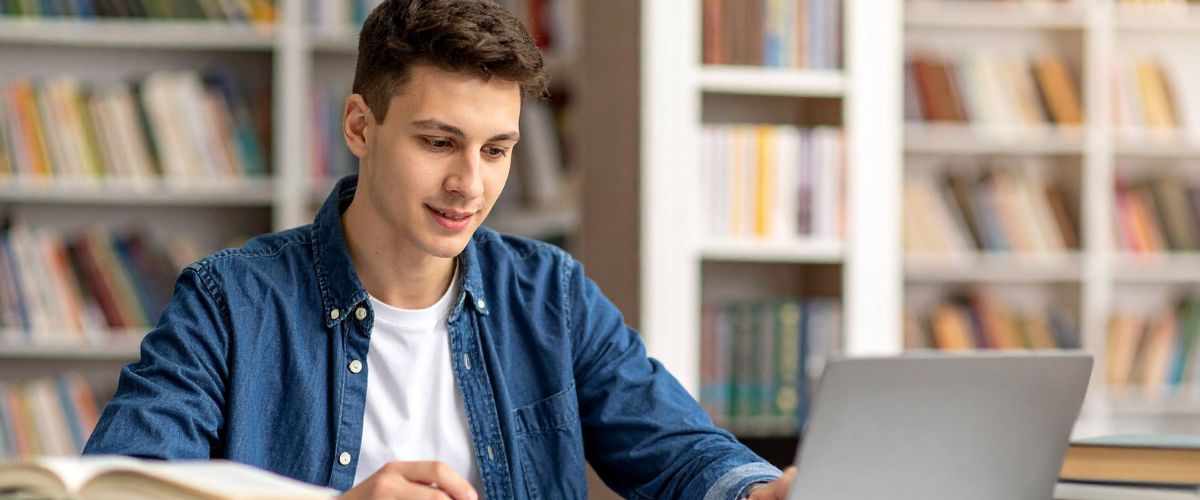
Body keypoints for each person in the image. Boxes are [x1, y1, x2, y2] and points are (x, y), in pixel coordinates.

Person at [83, 0, 798, 498]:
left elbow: (676, 450)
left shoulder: (550, 293)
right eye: (438, 142)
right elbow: (126, 484)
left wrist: (757, 491)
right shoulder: (230, 300)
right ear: (360, 127)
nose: (470, 184)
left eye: (497, 150)